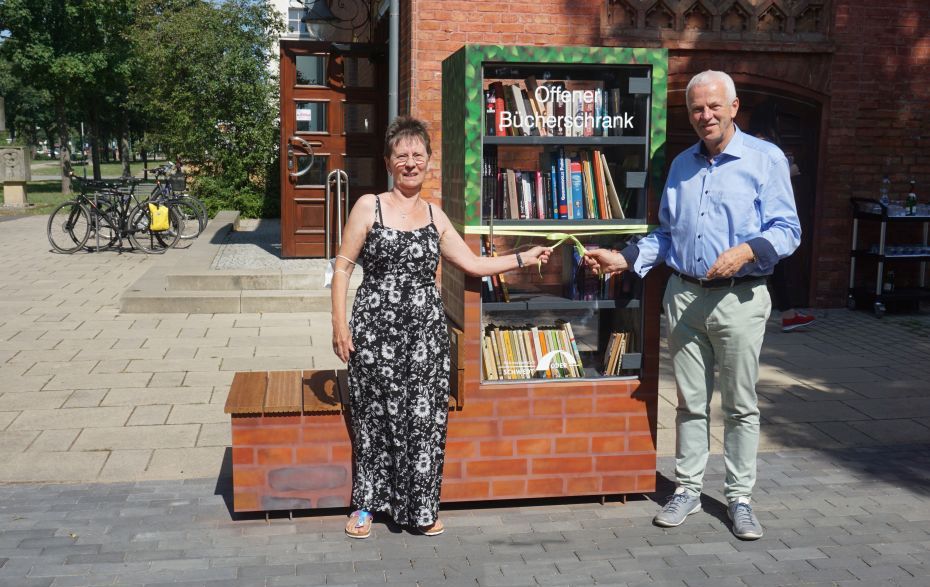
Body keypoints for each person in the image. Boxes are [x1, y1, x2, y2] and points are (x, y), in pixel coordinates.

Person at [584, 71, 801, 540]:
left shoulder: (766, 160)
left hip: (740, 298)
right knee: (689, 402)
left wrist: (747, 251)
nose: (705, 116)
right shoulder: (682, 163)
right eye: (697, 109)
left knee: (741, 406)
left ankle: (740, 497)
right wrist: (623, 258)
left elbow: (788, 230)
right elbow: (665, 236)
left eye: (714, 107)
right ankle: (687, 488)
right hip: (683, 296)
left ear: (734, 107)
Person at [331, 115, 552, 539]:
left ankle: (420, 507)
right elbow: (342, 268)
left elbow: (472, 263)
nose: (410, 162)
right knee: (373, 417)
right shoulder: (368, 206)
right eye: (402, 155)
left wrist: (523, 257)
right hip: (375, 333)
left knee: (425, 422)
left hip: (425, 338)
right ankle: (366, 506)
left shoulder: (435, 215)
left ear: (429, 161)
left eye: (418, 155)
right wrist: (340, 325)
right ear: (388, 161)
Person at [747, 101, 815, 333]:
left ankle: (787, 313)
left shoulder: (755, 142)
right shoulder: (762, 142)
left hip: (772, 216)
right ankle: (786, 314)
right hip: (766, 218)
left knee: (778, 265)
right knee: (776, 264)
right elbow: (760, 179)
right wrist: (790, 170)